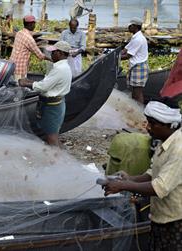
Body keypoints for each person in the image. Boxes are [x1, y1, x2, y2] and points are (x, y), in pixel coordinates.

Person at [103, 101, 182, 251]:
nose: (148, 127)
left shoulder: (179, 150)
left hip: (176, 221)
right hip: (161, 216)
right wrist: (129, 178)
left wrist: (122, 186)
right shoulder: (164, 142)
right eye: (148, 122)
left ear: (170, 126)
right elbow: (153, 172)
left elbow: (159, 187)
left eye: (153, 124)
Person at [18, 41, 72, 146]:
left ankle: (57, 159)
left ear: (60, 53)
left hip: (53, 106)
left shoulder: (60, 69)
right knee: (52, 132)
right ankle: (55, 156)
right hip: (56, 103)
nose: (51, 55)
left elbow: (43, 87)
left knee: (52, 136)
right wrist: (30, 82)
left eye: (53, 52)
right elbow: (47, 83)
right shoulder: (62, 66)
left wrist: (26, 83)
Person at [10, 15, 50, 80]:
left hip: (12, 65)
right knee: (19, 88)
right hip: (20, 69)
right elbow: (40, 56)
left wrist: (38, 43)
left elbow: (26, 45)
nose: (34, 25)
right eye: (34, 23)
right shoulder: (29, 39)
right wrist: (51, 60)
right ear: (30, 24)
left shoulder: (19, 33)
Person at [121, 17, 149, 104]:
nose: (128, 28)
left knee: (137, 93)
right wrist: (116, 54)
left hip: (139, 67)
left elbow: (128, 55)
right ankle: (136, 109)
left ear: (135, 26)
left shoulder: (138, 39)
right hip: (135, 67)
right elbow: (125, 49)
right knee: (134, 92)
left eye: (130, 26)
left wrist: (115, 58)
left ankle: (139, 111)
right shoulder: (135, 37)